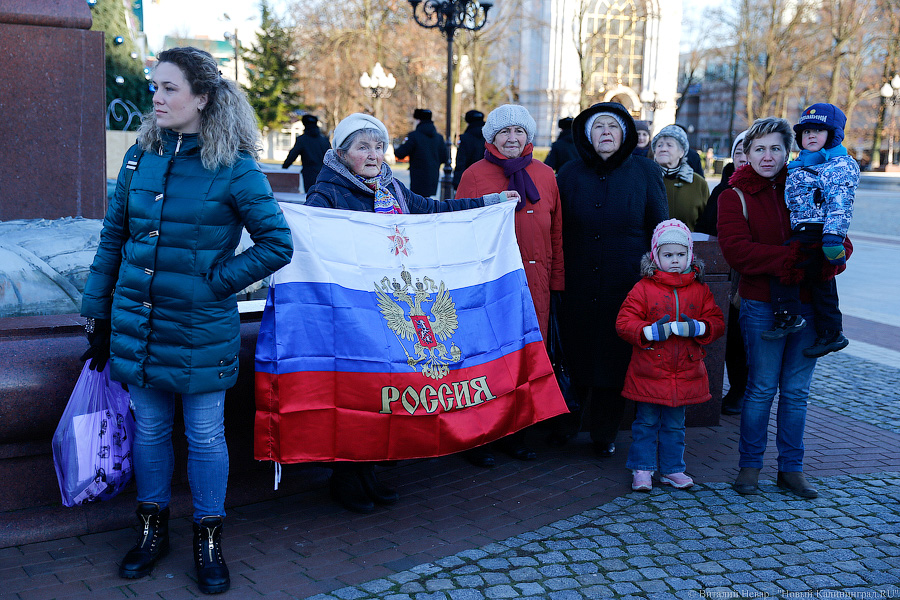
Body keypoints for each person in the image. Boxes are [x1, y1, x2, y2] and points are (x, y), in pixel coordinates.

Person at [80, 47, 294, 594]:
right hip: (139, 322)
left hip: (200, 327)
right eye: (155, 86)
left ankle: (209, 535)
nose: (156, 96)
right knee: (149, 429)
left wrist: (216, 282)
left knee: (203, 434)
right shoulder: (139, 157)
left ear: (202, 97)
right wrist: (96, 313)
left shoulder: (234, 166)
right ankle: (151, 530)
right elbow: (113, 238)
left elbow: (276, 243)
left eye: (169, 88)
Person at [304, 113, 518, 510]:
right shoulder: (326, 193)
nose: (373, 154)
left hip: (390, 303)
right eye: (362, 147)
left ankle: (370, 471)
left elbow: (435, 210)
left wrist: (490, 205)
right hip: (351, 309)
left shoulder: (392, 189)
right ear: (341, 153)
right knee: (357, 389)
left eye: (378, 146)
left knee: (382, 388)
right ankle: (346, 477)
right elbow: (316, 246)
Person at [717, 117, 852, 499]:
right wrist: (793, 256)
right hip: (761, 304)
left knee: (796, 392)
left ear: (788, 151)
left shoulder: (810, 181)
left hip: (809, 304)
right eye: (758, 149)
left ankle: (791, 469)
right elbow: (737, 251)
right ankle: (750, 466)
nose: (767, 156)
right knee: (760, 389)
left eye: (775, 148)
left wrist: (833, 256)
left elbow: (839, 232)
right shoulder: (734, 196)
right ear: (745, 154)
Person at [554, 102, 668, 457]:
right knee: (575, 356)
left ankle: (604, 433)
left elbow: (659, 229)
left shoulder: (646, 172)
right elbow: (556, 229)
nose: (606, 132)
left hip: (626, 286)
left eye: (613, 127)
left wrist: (657, 279)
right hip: (577, 285)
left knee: (616, 360)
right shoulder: (569, 173)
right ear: (587, 136)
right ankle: (565, 426)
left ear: (625, 134)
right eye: (598, 127)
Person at [455, 104, 564, 466]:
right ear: (492, 138)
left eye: (519, 131)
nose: (512, 138)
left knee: (525, 362)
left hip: (536, 286)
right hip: (490, 288)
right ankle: (481, 436)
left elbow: (557, 233)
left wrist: (557, 281)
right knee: (487, 361)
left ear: (528, 136)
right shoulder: (474, 175)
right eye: (505, 132)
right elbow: (459, 229)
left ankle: (516, 433)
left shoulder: (546, 175)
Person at [616, 219, 725, 491]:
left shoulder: (699, 289)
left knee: (676, 425)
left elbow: (716, 321)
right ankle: (642, 469)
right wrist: (650, 332)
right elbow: (624, 323)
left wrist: (697, 327)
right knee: (645, 423)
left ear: (690, 255)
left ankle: (672, 469)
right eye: (668, 255)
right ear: (655, 257)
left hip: (685, 372)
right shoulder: (644, 288)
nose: (675, 261)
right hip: (650, 371)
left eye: (680, 254)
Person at [762, 103, 857, 358]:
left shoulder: (837, 165)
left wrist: (833, 237)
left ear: (833, 135)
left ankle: (788, 317)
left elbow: (840, 203)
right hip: (803, 228)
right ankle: (831, 333)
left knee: (786, 263)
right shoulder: (801, 163)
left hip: (820, 231)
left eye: (818, 131)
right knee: (820, 282)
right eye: (806, 132)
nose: (811, 136)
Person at [695, 129, 749, 416]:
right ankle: (731, 389)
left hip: (746, 274)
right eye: (738, 151)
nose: (742, 156)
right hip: (721, 272)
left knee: (743, 338)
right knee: (726, 336)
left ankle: (742, 390)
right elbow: (706, 228)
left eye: (746, 150)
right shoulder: (721, 189)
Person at [652, 124, 710, 232]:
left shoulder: (698, 183)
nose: (663, 149)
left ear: (682, 152)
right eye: (659, 145)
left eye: (669, 145)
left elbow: (707, 223)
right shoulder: (646, 179)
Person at [394, 108, 449, 197]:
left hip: (418, 178)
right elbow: (445, 158)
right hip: (433, 176)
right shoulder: (439, 138)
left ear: (418, 120)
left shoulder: (414, 136)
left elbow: (400, 153)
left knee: (418, 204)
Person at [282, 114, 331, 192]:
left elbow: (293, 155)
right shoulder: (324, 140)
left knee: (311, 197)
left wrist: (284, 167)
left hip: (309, 175)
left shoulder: (302, 140)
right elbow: (331, 158)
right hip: (325, 175)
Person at [452, 109, 486, 189]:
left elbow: (461, 162)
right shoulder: (490, 137)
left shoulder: (466, 139)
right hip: (487, 180)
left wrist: (457, 183)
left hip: (469, 180)